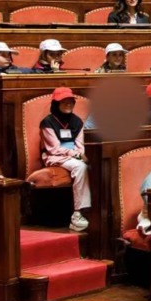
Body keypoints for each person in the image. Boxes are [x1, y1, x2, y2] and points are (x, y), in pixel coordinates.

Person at [40, 87, 92, 232]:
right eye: (64, 101)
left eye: (71, 101)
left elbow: (80, 144)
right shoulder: (47, 122)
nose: (69, 104)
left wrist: (79, 154)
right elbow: (53, 149)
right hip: (54, 157)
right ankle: (78, 213)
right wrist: (77, 155)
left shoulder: (77, 121)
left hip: (74, 155)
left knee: (91, 165)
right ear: (56, 103)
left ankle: (93, 210)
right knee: (80, 167)